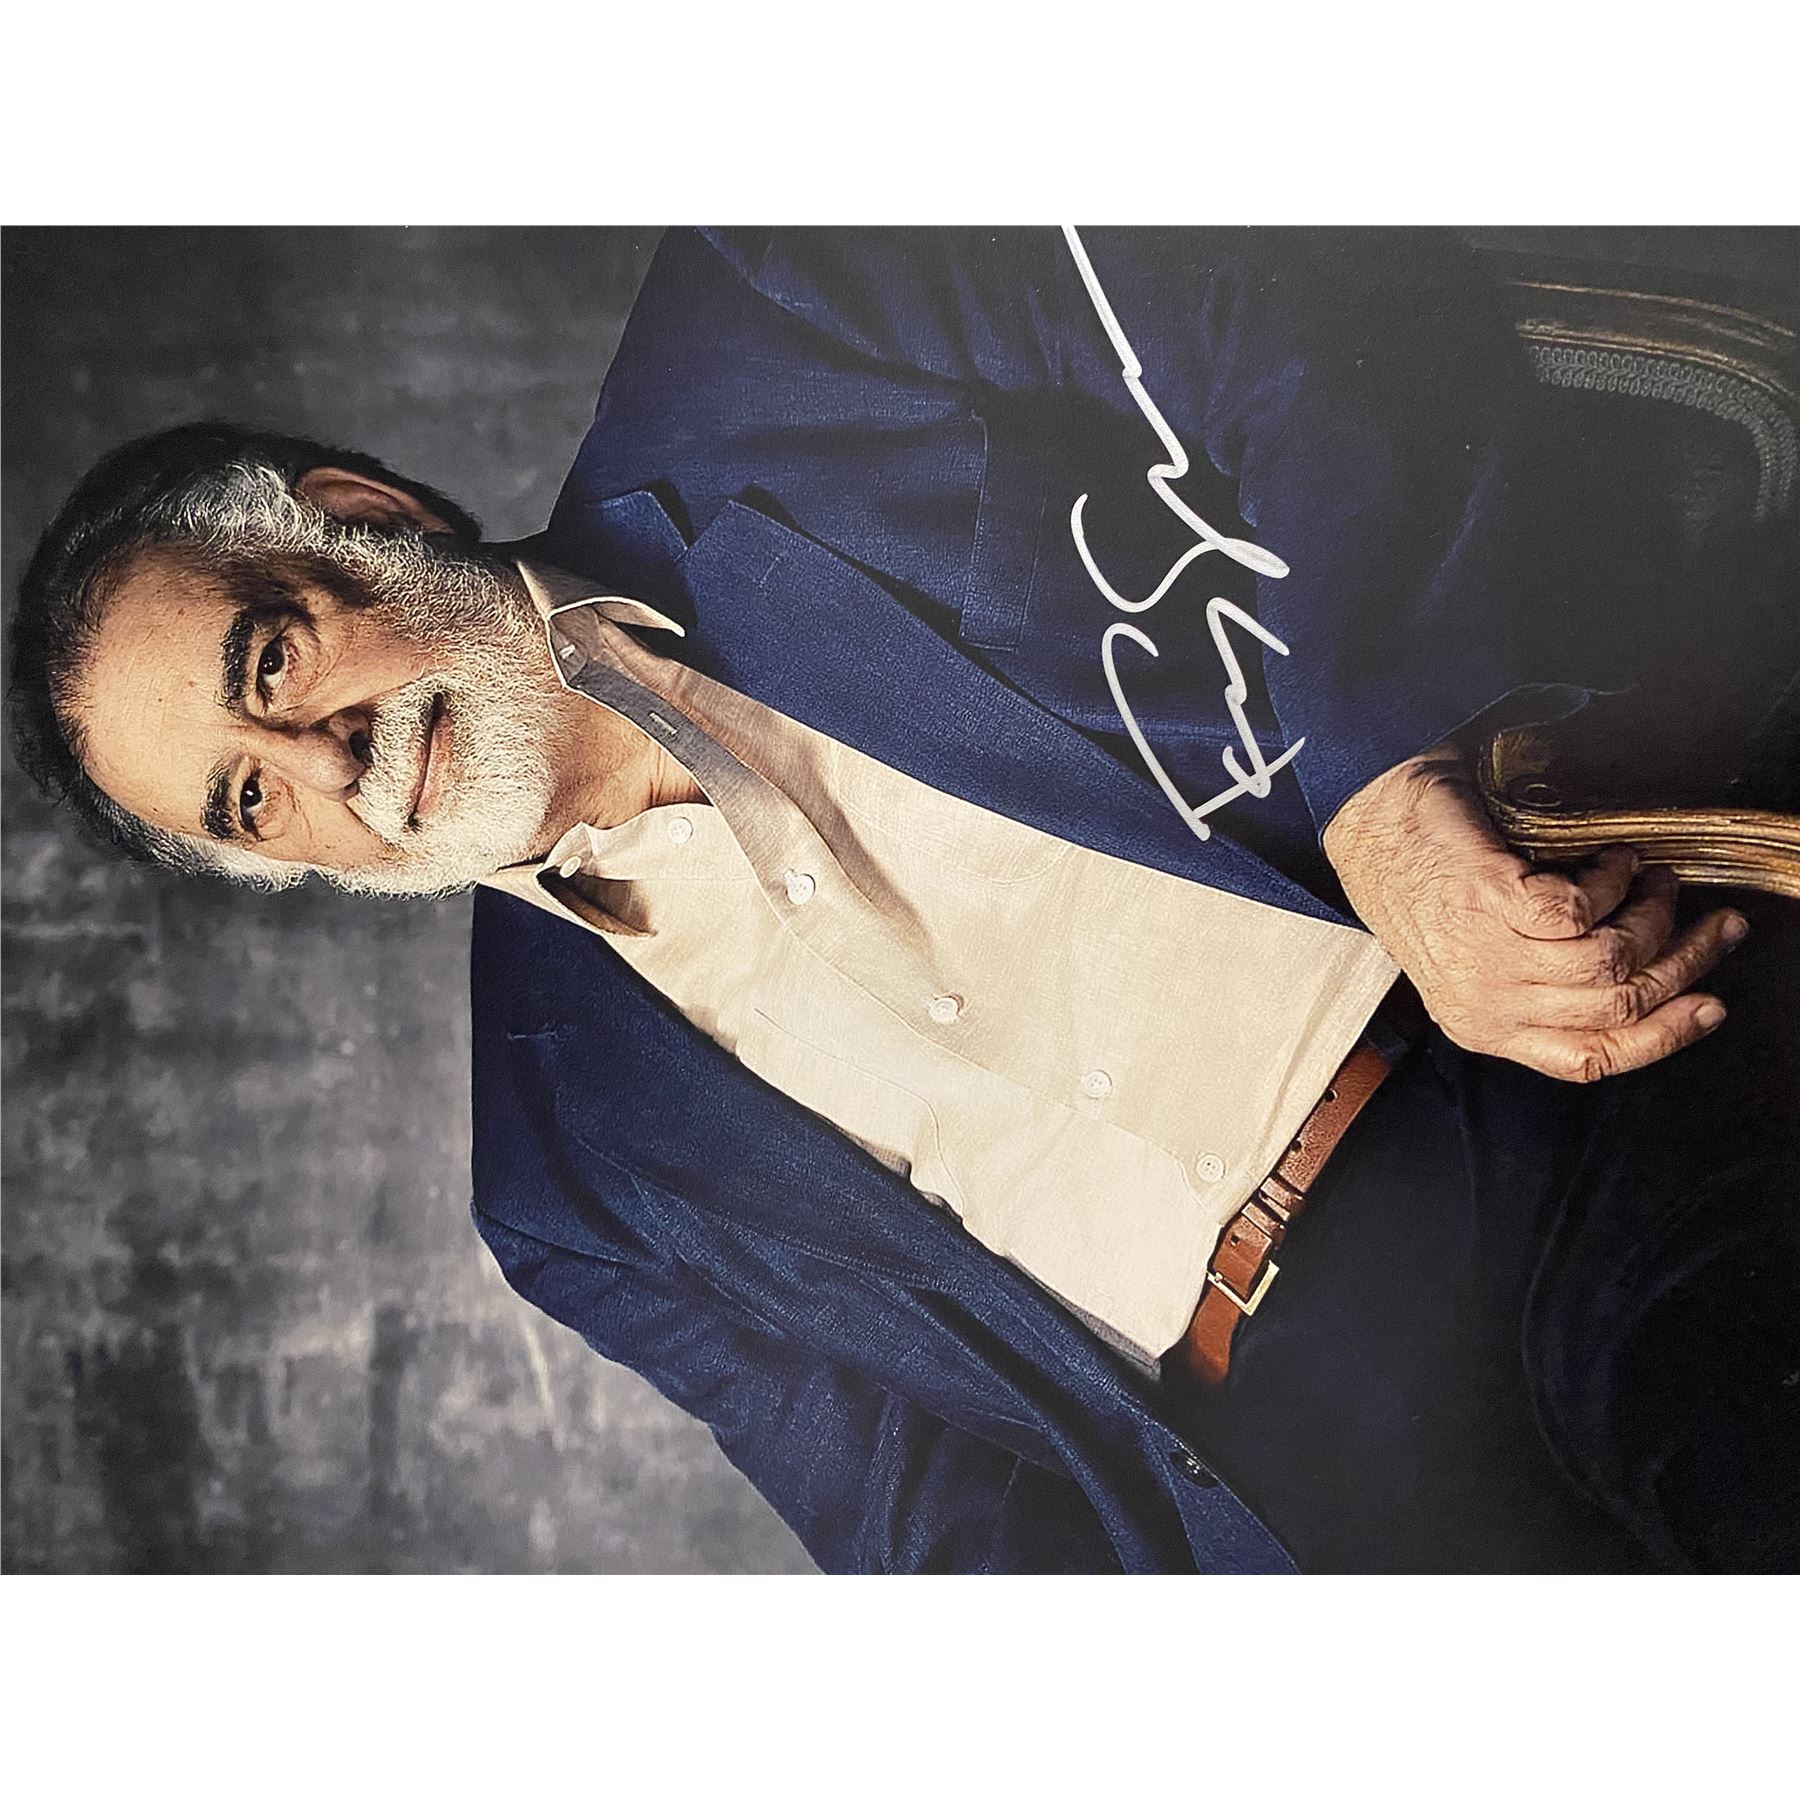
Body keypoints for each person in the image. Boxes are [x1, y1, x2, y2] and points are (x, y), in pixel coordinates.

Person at [10, 227, 1796, 1572]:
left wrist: (1388, 787)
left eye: (270, 662)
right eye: (250, 799)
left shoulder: (768, 314)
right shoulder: (560, 1185)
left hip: (1535, 1056)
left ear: (357, 512)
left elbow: (1272, 300)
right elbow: (932, 1535)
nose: (325, 763)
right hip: (1300, 1479)